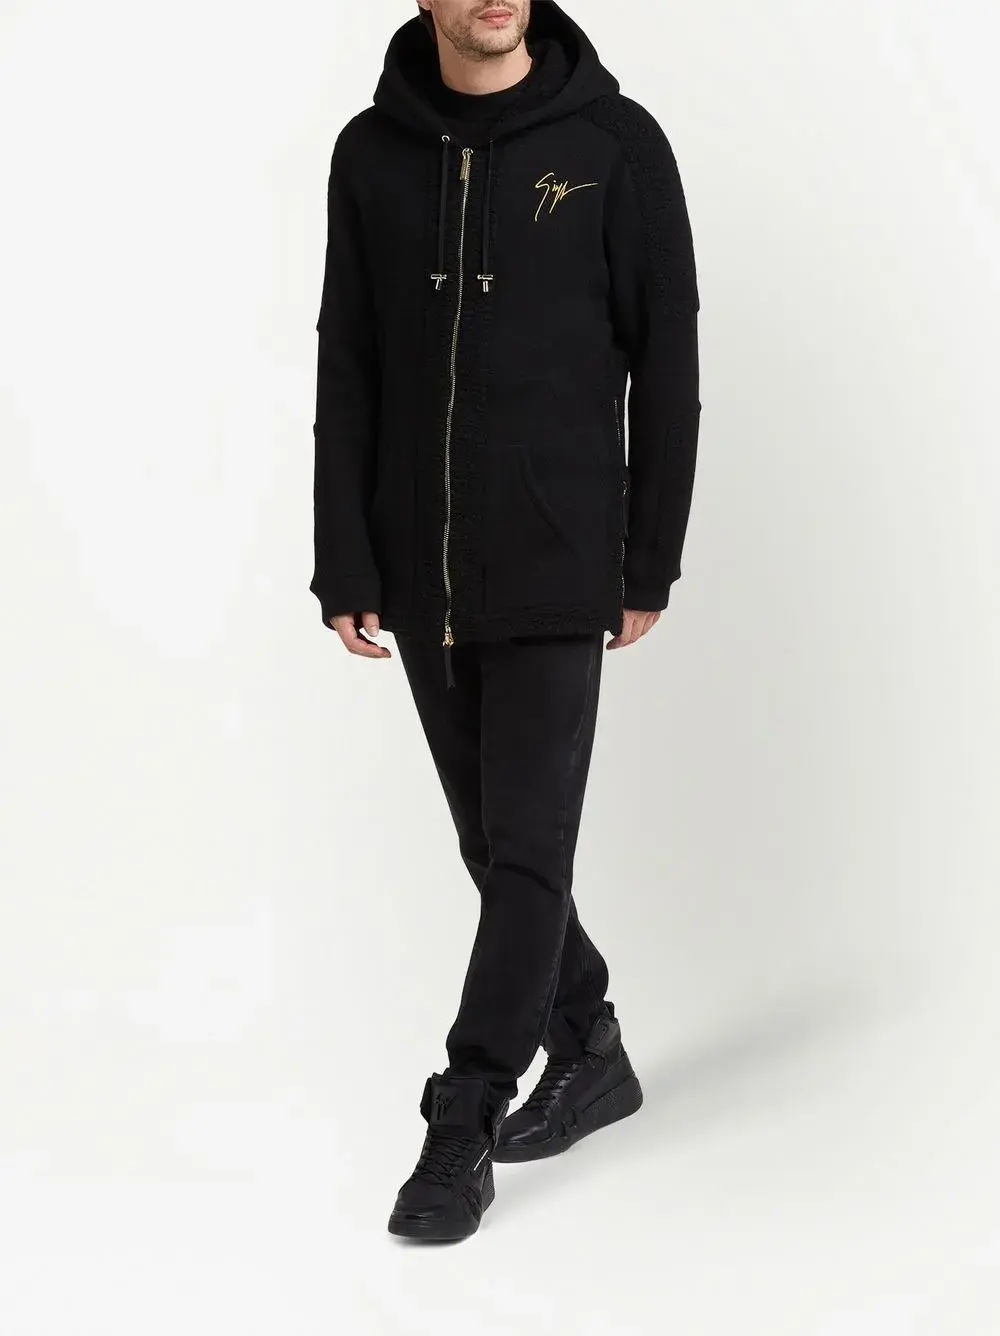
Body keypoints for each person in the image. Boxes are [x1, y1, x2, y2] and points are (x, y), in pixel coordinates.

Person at [309, 0, 701, 1242]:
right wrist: (344, 555)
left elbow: (667, 362)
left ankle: (464, 1113)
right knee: (495, 844)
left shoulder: (616, 143)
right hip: (417, 558)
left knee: (525, 847)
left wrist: (647, 558)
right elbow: (348, 360)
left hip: (558, 551)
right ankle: (589, 1041)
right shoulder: (368, 152)